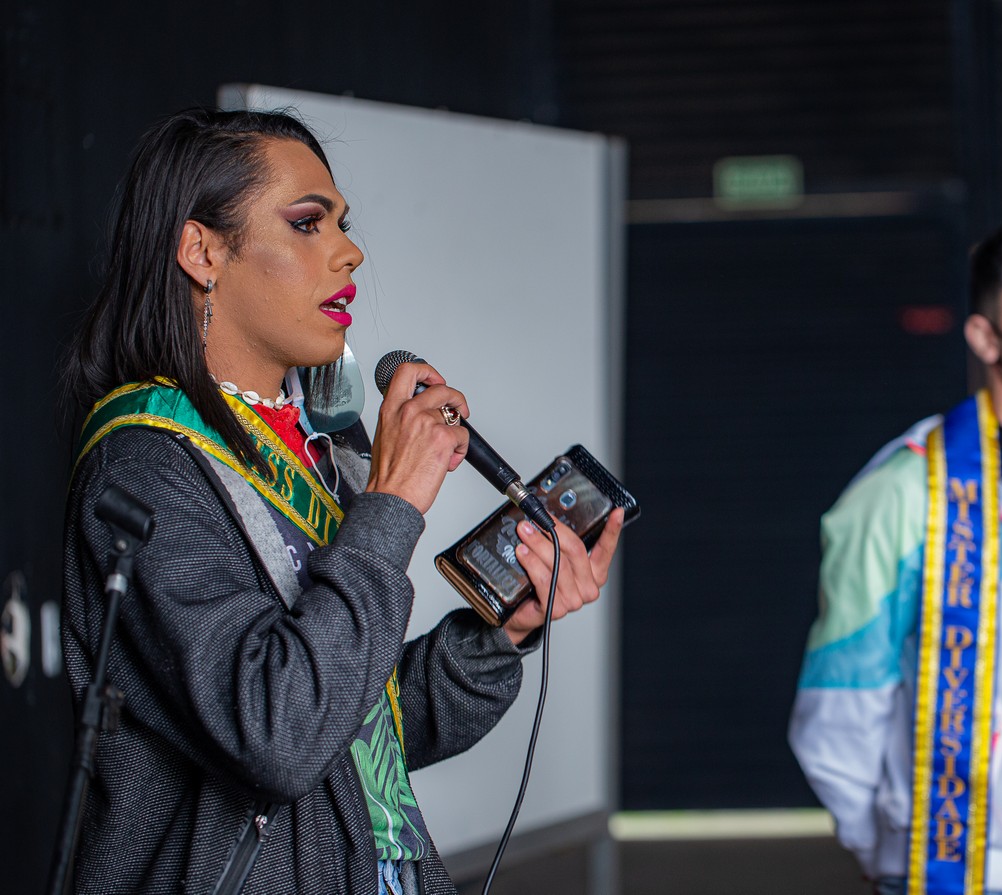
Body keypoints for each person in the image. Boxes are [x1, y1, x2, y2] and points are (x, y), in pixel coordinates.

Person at [59, 107, 624, 895]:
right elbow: (278, 733)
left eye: (342, 224)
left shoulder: (322, 447)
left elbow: (361, 728)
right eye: (306, 223)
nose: (349, 251)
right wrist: (391, 504)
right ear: (201, 251)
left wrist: (502, 632)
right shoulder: (146, 465)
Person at [789, 208, 1002, 895]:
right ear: (986, 336)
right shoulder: (905, 489)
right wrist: (886, 849)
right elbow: (841, 697)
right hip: (945, 870)